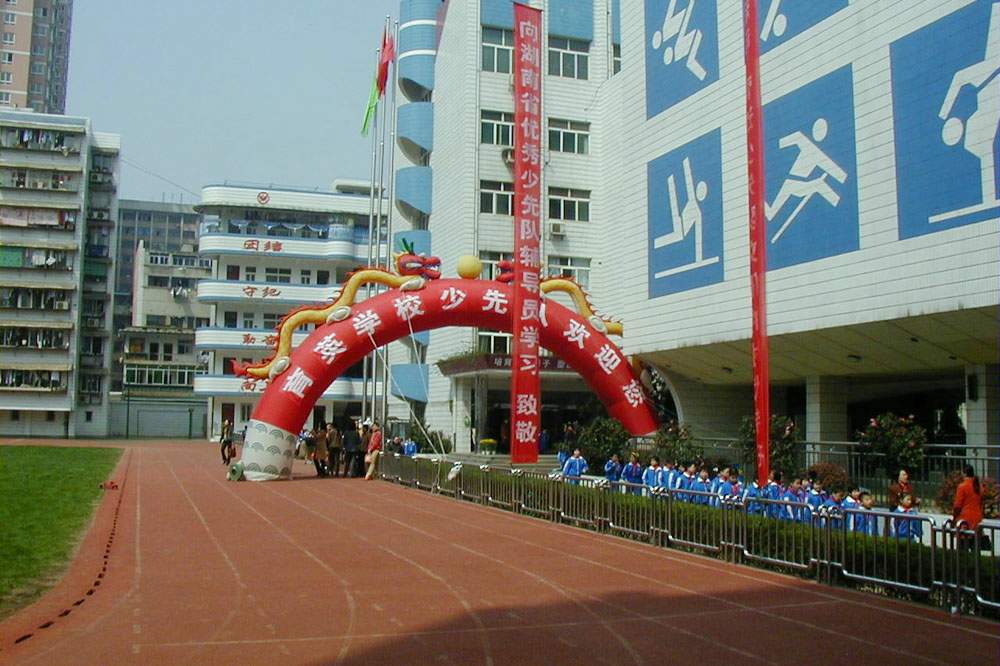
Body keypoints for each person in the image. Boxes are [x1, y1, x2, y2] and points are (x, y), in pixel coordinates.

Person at [952, 465, 984, 550]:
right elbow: (981, 504)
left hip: (964, 521)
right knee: (975, 549)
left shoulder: (962, 486)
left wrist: (954, 518)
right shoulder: (978, 486)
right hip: (977, 520)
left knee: (962, 549)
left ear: (964, 473)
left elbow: (957, 506)